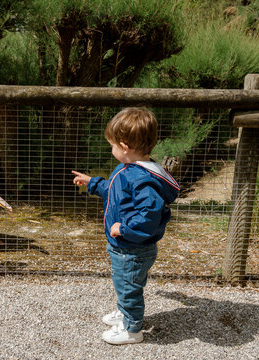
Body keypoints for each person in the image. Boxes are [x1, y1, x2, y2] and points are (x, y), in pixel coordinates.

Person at [72, 107, 180, 345]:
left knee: (129, 286)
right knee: (126, 283)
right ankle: (124, 313)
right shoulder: (130, 169)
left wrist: (125, 229)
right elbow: (115, 191)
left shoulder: (140, 178)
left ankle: (132, 330)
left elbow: (149, 214)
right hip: (127, 247)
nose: (111, 150)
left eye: (112, 145)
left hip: (132, 248)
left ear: (124, 147)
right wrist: (92, 183)